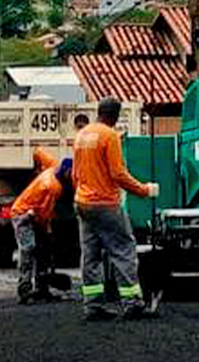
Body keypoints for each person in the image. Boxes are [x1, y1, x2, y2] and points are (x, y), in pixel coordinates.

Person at [72, 98, 158, 321]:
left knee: (90, 256)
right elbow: (118, 174)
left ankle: (93, 305)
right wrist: (143, 190)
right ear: (115, 116)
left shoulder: (82, 135)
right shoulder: (110, 136)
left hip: (83, 203)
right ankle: (132, 304)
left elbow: (75, 174)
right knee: (124, 251)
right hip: (105, 204)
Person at [12, 157, 71, 304]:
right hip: (23, 215)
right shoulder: (54, 187)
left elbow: (41, 154)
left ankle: (41, 289)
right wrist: (47, 232)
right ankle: (24, 291)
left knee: (42, 252)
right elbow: (45, 212)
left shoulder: (53, 169)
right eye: (72, 173)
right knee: (28, 250)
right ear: (66, 172)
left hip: (33, 214)